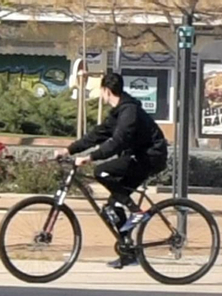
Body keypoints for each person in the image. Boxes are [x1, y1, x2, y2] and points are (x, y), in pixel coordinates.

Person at [57, 71, 170, 270]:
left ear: (106, 91)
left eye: (101, 91)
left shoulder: (129, 112)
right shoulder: (119, 112)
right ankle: (129, 253)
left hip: (149, 157)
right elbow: (97, 134)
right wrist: (69, 149)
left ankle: (136, 211)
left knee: (101, 172)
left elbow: (118, 142)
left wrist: (90, 158)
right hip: (137, 156)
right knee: (112, 208)